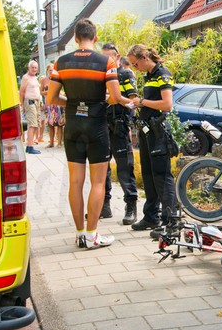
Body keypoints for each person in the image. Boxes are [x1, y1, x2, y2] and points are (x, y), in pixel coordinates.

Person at [47, 18, 134, 249]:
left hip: (73, 125)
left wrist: (74, 103)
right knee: (97, 182)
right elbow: (115, 98)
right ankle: (93, 234)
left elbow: (51, 98)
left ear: (76, 39)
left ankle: (79, 234)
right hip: (97, 125)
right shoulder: (106, 62)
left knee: (75, 182)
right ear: (94, 38)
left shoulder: (61, 62)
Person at [126, 44, 178, 237]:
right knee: (148, 174)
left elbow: (167, 103)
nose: (135, 68)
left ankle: (171, 221)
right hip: (147, 130)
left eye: (135, 64)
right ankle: (151, 216)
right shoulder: (149, 76)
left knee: (162, 176)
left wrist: (143, 102)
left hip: (159, 132)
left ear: (144, 57)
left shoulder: (162, 74)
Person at [99, 43, 139, 224]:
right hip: (101, 126)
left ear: (117, 57)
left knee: (124, 167)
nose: (107, 60)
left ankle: (131, 206)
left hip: (119, 126)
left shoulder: (125, 74)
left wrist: (113, 98)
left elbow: (132, 100)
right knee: (102, 168)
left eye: (110, 56)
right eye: (104, 57)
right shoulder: (99, 76)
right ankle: (104, 206)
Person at [20, 60, 42, 154]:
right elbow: (22, 92)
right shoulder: (26, 77)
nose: (34, 69)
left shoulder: (35, 78)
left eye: (35, 67)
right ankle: (30, 146)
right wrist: (22, 105)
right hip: (30, 102)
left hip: (37, 103)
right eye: (32, 67)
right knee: (32, 124)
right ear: (29, 68)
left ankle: (30, 144)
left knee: (37, 124)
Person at [40, 63, 63, 147]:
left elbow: (61, 90)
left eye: (53, 70)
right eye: (50, 70)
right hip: (49, 104)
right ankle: (51, 142)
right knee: (50, 124)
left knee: (59, 123)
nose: (51, 72)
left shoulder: (58, 79)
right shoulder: (44, 80)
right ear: (47, 71)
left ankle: (59, 142)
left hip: (57, 103)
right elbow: (41, 91)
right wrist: (47, 92)